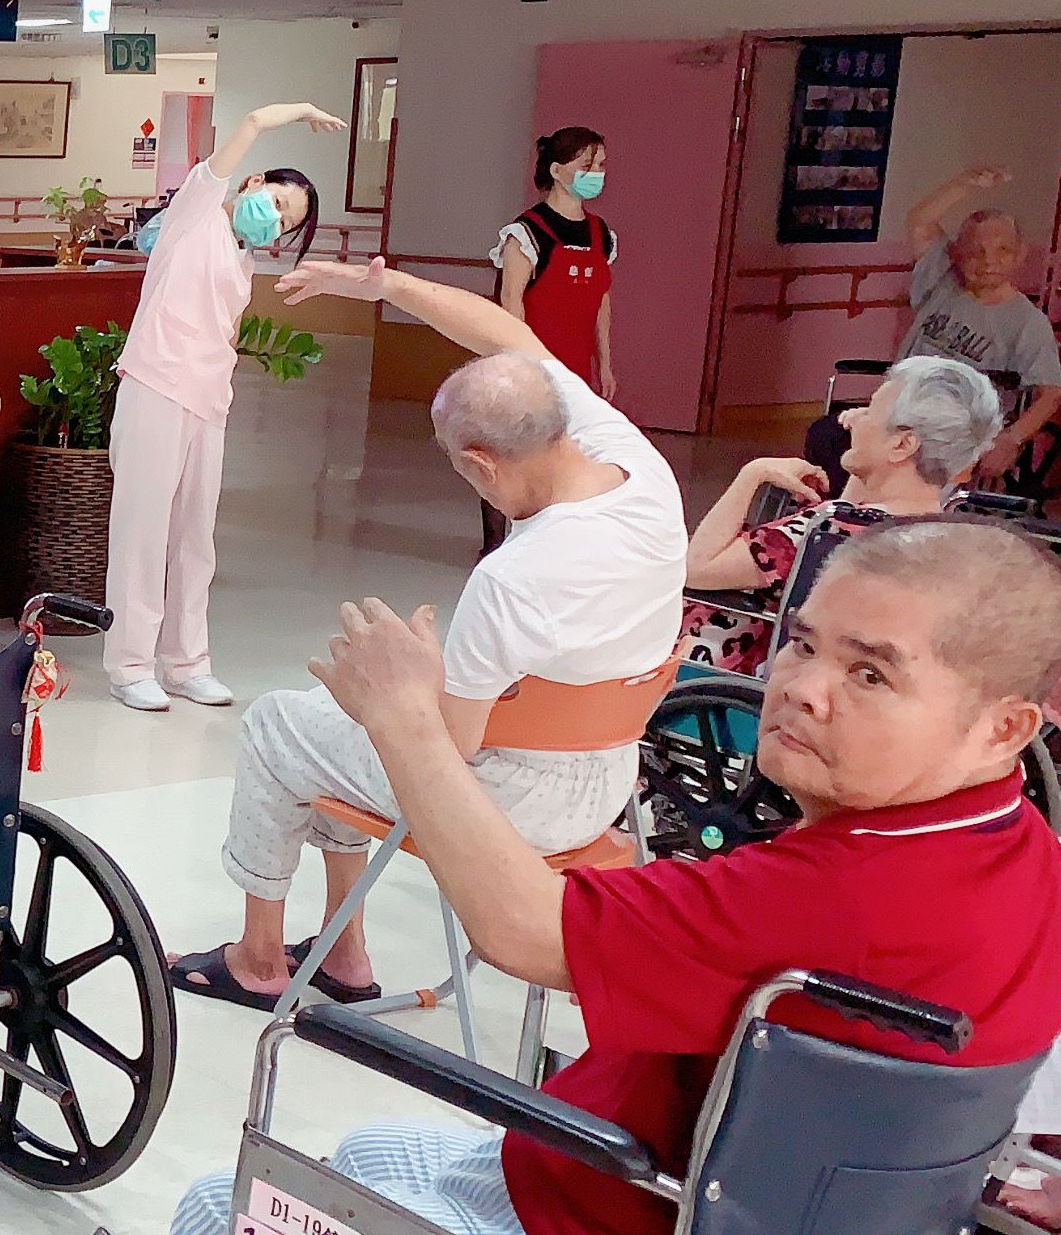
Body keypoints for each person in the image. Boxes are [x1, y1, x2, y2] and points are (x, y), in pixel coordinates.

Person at [128, 520, 1061, 1235]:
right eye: (805, 645)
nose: (803, 689)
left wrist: (403, 724)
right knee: (376, 1154)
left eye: (871, 673)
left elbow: (522, 932)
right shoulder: (1021, 863)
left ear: (1004, 724)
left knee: (225, 1213)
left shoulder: (831, 898)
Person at [167, 257, 683, 1013]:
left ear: (480, 463)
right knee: (330, 719)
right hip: (606, 781)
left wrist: (390, 688)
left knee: (282, 722)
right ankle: (343, 951)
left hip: (512, 806)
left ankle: (258, 958)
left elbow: (445, 748)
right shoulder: (640, 466)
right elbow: (508, 336)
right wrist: (387, 286)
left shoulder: (514, 579)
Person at [102, 100, 344, 711]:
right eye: (281, 205)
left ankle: (187, 661)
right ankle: (130, 664)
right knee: (142, 531)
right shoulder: (197, 213)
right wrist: (295, 113)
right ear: (255, 184)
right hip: (155, 386)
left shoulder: (244, 259)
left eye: (288, 224)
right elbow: (251, 127)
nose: (278, 222)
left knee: (195, 538)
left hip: (207, 401)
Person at [681, 352, 994, 674]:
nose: (853, 418)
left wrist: (753, 472)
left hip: (722, 670)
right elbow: (859, 503)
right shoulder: (939, 534)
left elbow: (696, 568)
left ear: (902, 445)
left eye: (870, 410)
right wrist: (870, 441)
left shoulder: (827, 530)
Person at [894, 166, 1057, 488]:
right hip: (901, 408)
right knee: (830, 437)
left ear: (1020, 255)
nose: (988, 262)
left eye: (1002, 251)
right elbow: (920, 221)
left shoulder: (1027, 323)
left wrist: (1011, 439)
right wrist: (963, 184)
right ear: (957, 253)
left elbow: (1051, 393)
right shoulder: (942, 280)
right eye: (976, 252)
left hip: (959, 430)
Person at [494, 124, 617, 399]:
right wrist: (521, 369)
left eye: (601, 165)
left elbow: (602, 303)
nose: (597, 173)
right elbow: (511, 304)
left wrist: (605, 365)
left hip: (578, 373)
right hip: (534, 371)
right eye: (587, 165)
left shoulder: (601, 233)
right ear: (556, 171)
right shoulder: (527, 232)